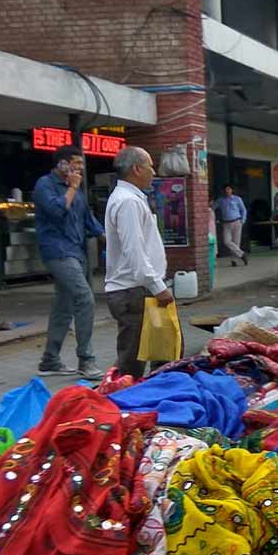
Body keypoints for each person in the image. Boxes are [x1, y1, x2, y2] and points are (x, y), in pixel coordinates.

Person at [103, 146, 174, 380]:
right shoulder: (127, 202)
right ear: (136, 169)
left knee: (163, 352)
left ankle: (150, 402)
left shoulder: (131, 199)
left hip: (139, 289)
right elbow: (135, 251)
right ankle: (123, 407)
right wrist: (158, 287)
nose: (154, 172)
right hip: (133, 291)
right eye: (150, 166)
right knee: (132, 363)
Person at [34, 145, 104, 379]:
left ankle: (50, 360)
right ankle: (86, 359)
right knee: (85, 298)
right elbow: (56, 211)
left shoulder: (79, 194)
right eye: (77, 163)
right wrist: (73, 187)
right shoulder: (44, 185)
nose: (81, 168)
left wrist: (115, 243)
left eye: (82, 164)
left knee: (64, 306)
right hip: (57, 251)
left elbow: (91, 224)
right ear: (62, 164)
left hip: (75, 252)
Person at [214, 185, 248, 266]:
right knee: (227, 241)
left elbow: (243, 210)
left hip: (237, 222)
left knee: (236, 242)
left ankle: (234, 261)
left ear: (232, 190)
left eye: (228, 189)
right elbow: (213, 208)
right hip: (226, 223)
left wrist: (243, 220)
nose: (227, 191)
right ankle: (242, 254)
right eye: (225, 189)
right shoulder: (220, 200)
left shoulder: (237, 199)